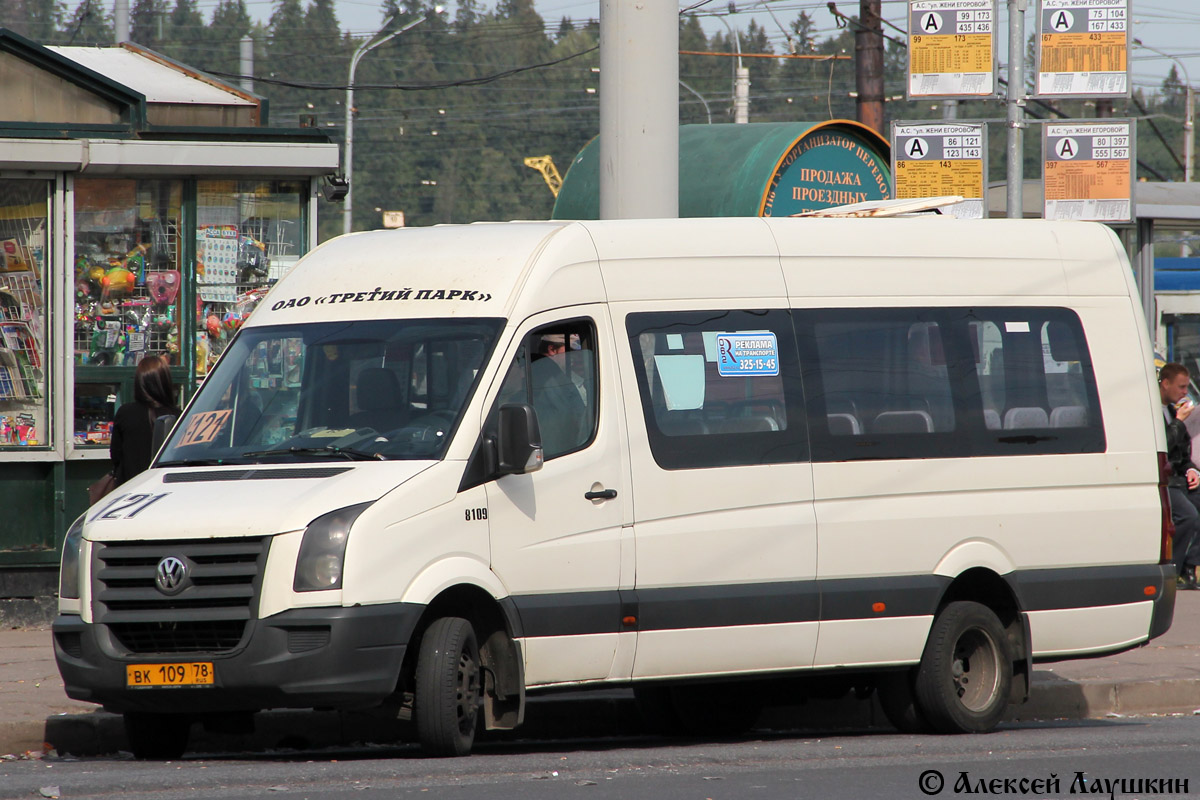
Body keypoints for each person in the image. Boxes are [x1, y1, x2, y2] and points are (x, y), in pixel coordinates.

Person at [1159, 362, 1200, 589]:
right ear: (1166, 384)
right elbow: (1162, 446)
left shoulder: (1173, 410)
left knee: (1198, 501)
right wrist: (1178, 422)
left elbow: (1182, 454)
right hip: (1164, 480)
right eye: (1181, 387)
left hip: (1177, 476)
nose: (1185, 392)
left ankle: (1189, 568)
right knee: (1188, 515)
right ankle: (1172, 569)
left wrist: (1192, 470)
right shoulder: (1154, 410)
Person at [111, 354, 181, 485]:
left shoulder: (125, 413)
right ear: (165, 382)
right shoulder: (178, 417)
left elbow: (116, 455)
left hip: (130, 489)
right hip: (165, 489)